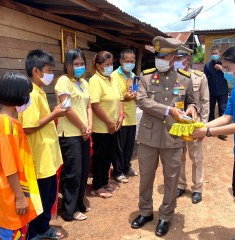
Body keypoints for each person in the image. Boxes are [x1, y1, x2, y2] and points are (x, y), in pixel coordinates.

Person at [131, 36, 197, 237]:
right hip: (149, 137)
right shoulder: (146, 76)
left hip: (173, 137)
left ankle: (166, 215)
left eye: (164, 56)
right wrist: (168, 110)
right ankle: (145, 211)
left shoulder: (184, 79)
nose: (159, 59)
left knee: (171, 179)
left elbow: (191, 102)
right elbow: (141, 101)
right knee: (146, 177)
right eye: (157, 55)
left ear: (174, 57)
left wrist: (192, 109)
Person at [192, 46, 235, 240]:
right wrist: (203, 126)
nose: (226, 72)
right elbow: (228, 116)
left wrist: (208, 131)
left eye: (228, 68)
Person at [18, 49, 67, 239]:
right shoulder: (31, 93)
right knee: (40, 198)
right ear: (36, 71)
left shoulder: (38, 91)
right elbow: (29, 127)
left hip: (46, 156)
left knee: (48, 196)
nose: (51, 74)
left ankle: (43, 227)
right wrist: (54, 114)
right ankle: (34, 232)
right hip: (39, 157)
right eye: (48, 70)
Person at [0, 72, 42, 240]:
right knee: (13, 234)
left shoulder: (8, 122)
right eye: (27, 94)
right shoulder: (7, 126)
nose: (28, 98)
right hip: (12, 194)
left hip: (15, 189)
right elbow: (9, 166)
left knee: (20, 231)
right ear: (19, 96)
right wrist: (20, 197)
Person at [55, 48, 92, 221]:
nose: (79, 67)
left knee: (84, 171)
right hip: (69, 134)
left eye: (82, 63)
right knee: (73, 173)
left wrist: (89, 126)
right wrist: (83, 127)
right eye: (75, 63)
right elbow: (66, 108)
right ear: (68, 65)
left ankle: (80, 203)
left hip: (84, 133)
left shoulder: (84, 83)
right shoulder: (63, 81)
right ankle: (70, 210)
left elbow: (88, 106)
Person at [174, 45, 210, 204]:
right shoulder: (172, 76)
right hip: (177, 123)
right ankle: (181, 184)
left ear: (187, 59)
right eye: (175, 58)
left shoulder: (199, 77)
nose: (175, 61)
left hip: (194, 124)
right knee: (178, 156)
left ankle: (197, 188)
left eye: (179, 59)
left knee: (196, 157)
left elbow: (205, 101)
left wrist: (204, 126)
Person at [89, 51, 124, 199]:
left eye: (111, 64)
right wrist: (108, 122)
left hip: (114, 126)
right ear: (98, 65)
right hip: (102, 127)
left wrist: (121, 115)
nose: (110, 67)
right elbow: (95, 105)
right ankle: (97, 186)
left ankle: (104, 180)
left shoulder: (112, 79)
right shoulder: (95, 80)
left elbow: (119, 98)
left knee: (109, 155)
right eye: (107, 65)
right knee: (100, 157)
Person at [111, 49, 138, 184]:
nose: (130, 63)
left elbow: (136, 91)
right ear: (121, 61)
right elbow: (115, 96)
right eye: (127, 61)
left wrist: (136, 96)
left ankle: (127, 167)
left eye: (132, 61)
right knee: (119, 147)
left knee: (129, 145)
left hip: (132, 116)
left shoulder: (133, 75)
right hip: (120, 116)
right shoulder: (114, 76)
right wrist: (125, 97)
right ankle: (118, 171)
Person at [204, 45, 228, 140]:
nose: (214, 55)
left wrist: (221, 68)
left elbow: (231, 74)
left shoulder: (225, 64)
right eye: (212, 54)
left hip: (223, 91)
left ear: (220, 54)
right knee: (210, 110)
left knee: (223, 110)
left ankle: (222, 132)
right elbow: (204, 79)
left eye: (216, 53)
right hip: (211, 91)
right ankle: (210, 130)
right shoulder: (208, 65)